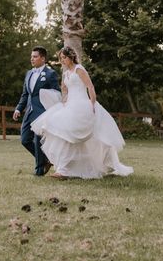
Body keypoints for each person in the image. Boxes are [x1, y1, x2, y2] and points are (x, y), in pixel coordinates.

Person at [31, 46, 133, 179]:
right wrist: (64, 101)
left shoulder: (79, 69)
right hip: (70, 106)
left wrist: (92, 104)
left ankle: (107, 164)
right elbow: (66, 91)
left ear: (71, 57)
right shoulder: (66, 73)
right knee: (62, 133)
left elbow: (90, 86)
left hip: (83, 105)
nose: (62, 60)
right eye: (60, 58)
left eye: (64, 58)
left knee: (95, 138)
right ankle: (63, 169)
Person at [13, 46, 61, 176]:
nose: (32, 59)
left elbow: (56, 93)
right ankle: (46, 160)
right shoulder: (29, 73)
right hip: (29, 111)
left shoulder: (50, 74)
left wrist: (54, 112)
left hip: (42, 112)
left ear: (43, 58)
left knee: (38, 139)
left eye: (35, 56)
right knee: (25, 139)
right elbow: (25, 94)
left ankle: (39, 171)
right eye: (31, 56)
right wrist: (18, 108)